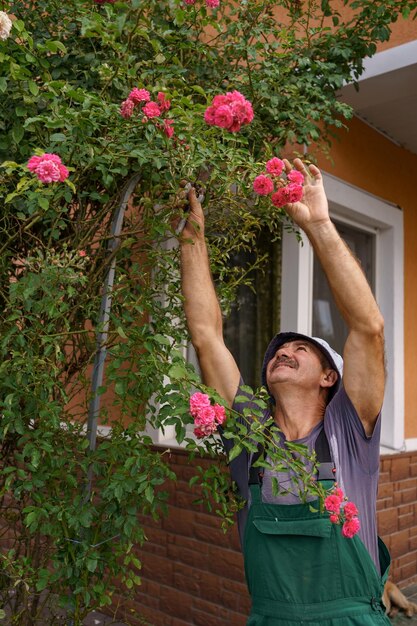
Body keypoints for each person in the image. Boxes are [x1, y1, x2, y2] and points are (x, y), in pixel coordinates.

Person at [179, 158, 390, 625]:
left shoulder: (350, 433)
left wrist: (317, 223)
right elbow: (206, 335)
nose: (283, 353)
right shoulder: (249, 433)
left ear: (329, 377)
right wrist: (190, 231)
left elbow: (368, 327)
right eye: (278, 350)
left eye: (301, 349)